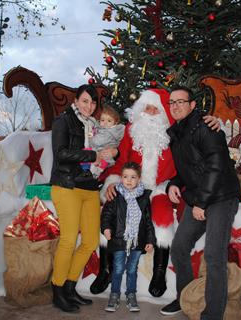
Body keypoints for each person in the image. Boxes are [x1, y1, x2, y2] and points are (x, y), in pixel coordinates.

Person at [93, 88, 221, 298]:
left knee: (162, 217)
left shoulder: (175, 133)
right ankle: (105, 270)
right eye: (146, 108)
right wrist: (113, 181)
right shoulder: (130, 131)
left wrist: (214, 121)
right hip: (131, 185)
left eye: (155, 109)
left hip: (161, 187)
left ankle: (159, 272)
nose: (150, 112)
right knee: (110, 208)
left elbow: (189, 158)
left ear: (164, 113)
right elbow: (121, 162)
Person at [160, 85, 241, 319]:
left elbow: (216, 166)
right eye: (172, 102)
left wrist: (201, 203)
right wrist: (173, 183)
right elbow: (187, 168)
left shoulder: (207, 126)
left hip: (221, 196)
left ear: (192, 104)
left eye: (180, 102)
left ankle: (212, 314)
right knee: (179, 247)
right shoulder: (176, 133)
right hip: (200, 196)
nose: (175, 106)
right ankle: (185, 298)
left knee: (214, 255)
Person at [50, 84, 117, 313]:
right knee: (69, 240)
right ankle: (57, 290)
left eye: (93, 102)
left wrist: (110, 153)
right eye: (85, 101)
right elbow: (60, 154)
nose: (89, 106)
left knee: (89, 241)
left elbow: (105, 151)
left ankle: (69, 286)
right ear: (76, 100)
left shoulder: (95, 127)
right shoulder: (64, 121)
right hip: (67, 185)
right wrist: (93, 154)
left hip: (89, 187)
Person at [101, 162, 156, 312]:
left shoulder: (144, 198)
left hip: (137, 241)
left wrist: (150, 240)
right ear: (121, 178)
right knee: (118, 269)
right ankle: (114, 294)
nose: (129, 180)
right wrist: (106, 228)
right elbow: (106, 215)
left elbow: (148, 221)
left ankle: (131, 295)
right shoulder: (114, 195)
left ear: (139, 179)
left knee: (132, 269)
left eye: (133, 177)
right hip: (119, 239)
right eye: (125, 177)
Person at [88, 105, 125, 178]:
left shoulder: (109, 132)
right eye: (102, 120)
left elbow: (97, 142)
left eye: (109, 121)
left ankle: (94, 173)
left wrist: (91, 138)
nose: (105, 123)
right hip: (103, 155)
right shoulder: (104, 128)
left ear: (115, 123)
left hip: (104, 157)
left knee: (87, 153)